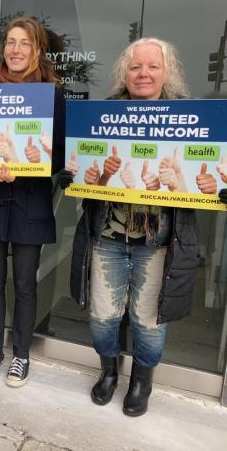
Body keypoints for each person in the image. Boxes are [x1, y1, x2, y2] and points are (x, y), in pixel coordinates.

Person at [59, 37, 203, 416]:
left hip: (158, 242)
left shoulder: (188, 118)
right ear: (125, 71)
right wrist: (72, 175)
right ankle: (109, 372)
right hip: (107, 234)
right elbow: (80, 173)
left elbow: (206, 175)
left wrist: (217, 189)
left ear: (166, 73)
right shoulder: (101, 115)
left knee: (149, 322)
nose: (143, 74)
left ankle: (141, 382)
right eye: (136, 66)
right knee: (103, 316)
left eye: (152, 67)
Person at [0, 16, 65, 387]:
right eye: (10, 42)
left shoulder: (51, 96)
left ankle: (20, 355)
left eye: (24, 43)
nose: (15, 50)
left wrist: (23, 169)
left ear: (37, 50)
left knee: (24, 284)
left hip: (28, 205)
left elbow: (59, 157)